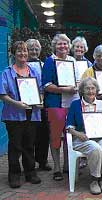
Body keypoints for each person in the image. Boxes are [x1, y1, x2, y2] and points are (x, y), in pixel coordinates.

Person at [0, 41, 41, 188]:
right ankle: (14, 175)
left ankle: (30, 172)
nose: (22, 54)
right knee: (15, 146)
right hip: (14, 114)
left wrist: (39, 101)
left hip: (32, 113)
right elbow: (2, 94)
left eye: (24, 51)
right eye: (19, 51)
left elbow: (40, 90)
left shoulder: (34, 71)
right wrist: (17, 104)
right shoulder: (7, 72)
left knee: (29, 145)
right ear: (13, 53)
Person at [66, 77, 102, 194]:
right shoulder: (75, 105)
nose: (90, 91)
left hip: (101, 137)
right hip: (82, 139)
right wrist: (78, 134)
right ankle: (94, 180)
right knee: (95, 148)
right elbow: (69, 127)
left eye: (93, 88)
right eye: (87, 88)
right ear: (82, 90)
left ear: (96, 90)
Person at [42, 34, 79, 181]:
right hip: (55, 104)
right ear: (54, 46)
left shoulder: (73, 61)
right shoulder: (50, 61)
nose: (62, 46)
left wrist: (77, 86)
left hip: (72, 103)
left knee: (69, 134)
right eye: (59, 44)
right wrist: (64, 90)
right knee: (56, 136)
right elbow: (46, 85)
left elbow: (77, 80)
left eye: (65, 44)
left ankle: (67, 165)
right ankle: (57, 167)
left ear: (69, 46)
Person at [26, 39, 52, 171]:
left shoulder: (44, 64)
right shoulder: (22, 65)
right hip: (28, 105)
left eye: (36, 49)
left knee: (44, 134)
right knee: (30, 135)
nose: (34, 51)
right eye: (31, 49)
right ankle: (29, 164)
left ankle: (42, 161)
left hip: (42, 104)